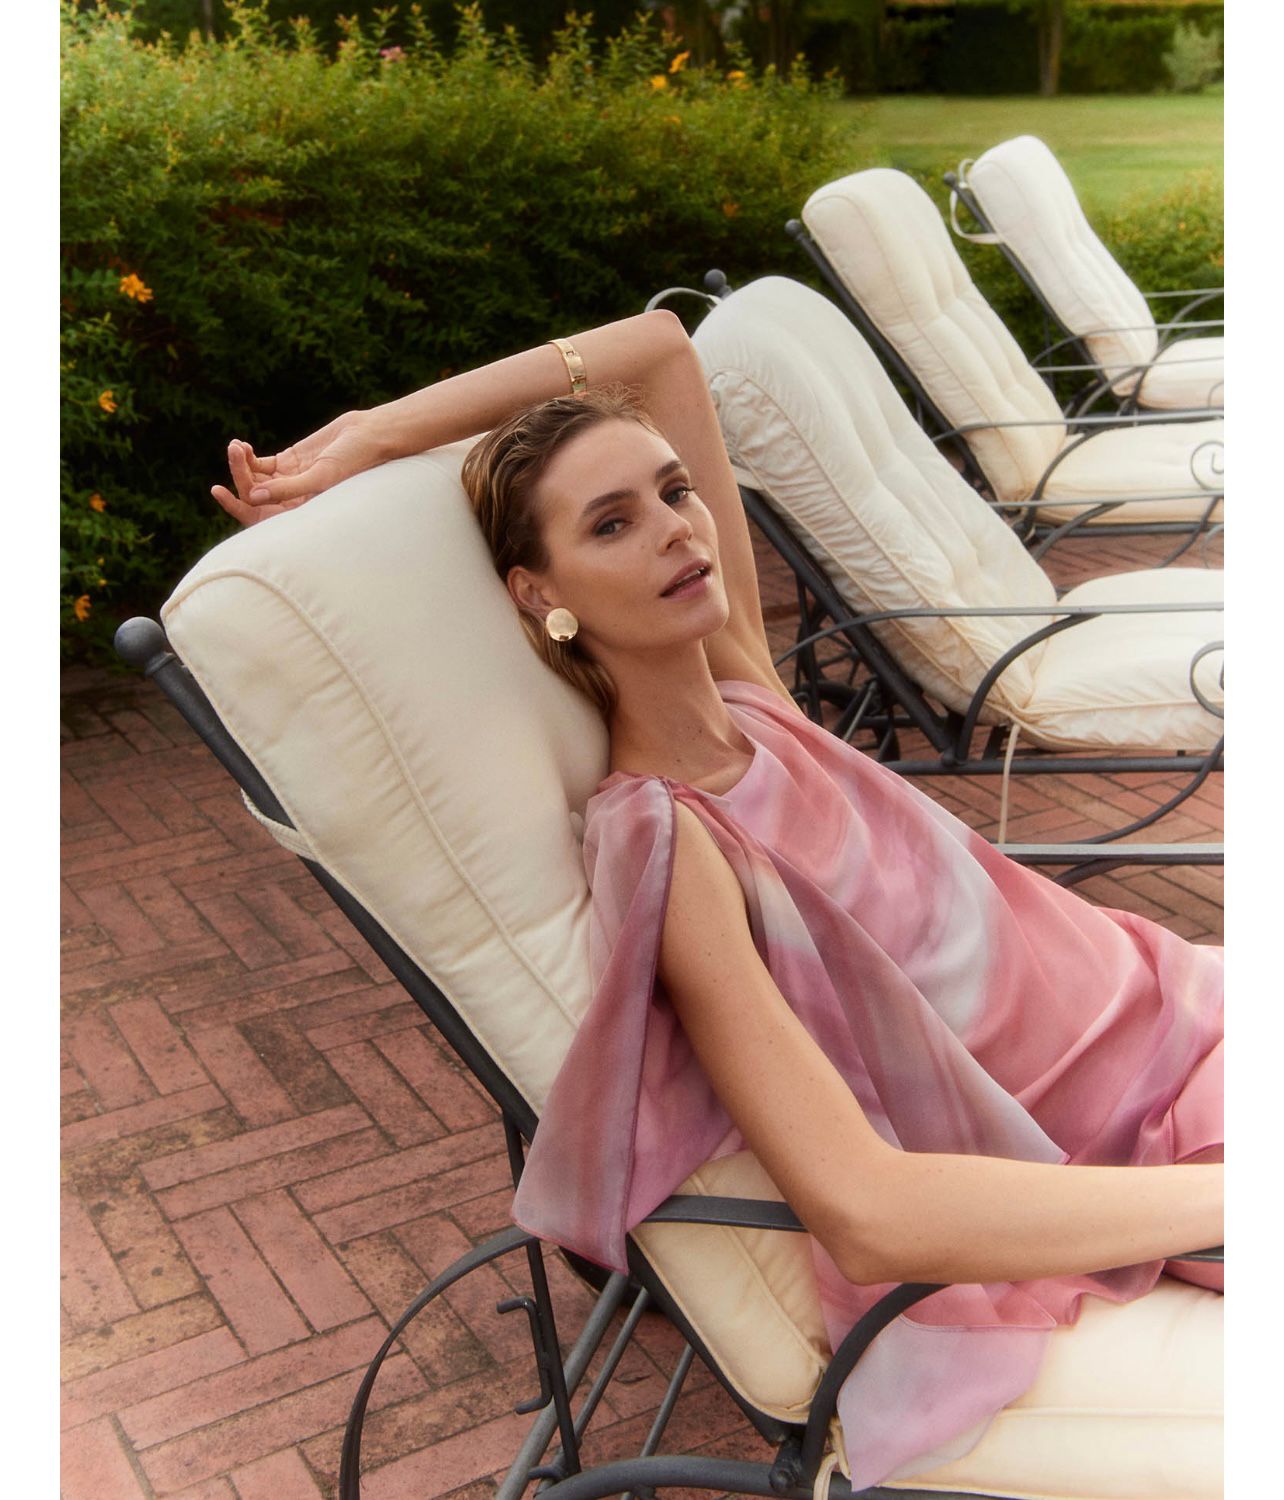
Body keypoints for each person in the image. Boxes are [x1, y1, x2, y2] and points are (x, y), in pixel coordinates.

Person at [214, 309, 1222, 1490]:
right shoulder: (672, 846)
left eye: (673, 492)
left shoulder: (750, 693)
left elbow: (657, 348)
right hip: (1160, 1132)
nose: (675, 531)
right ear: (541, 594)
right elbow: (867, 1214)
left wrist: (379, 431)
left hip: (1197, 1005)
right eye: (611, 524)